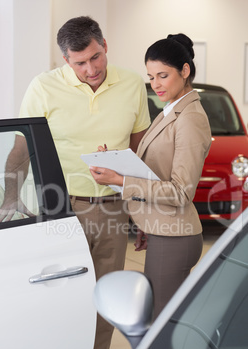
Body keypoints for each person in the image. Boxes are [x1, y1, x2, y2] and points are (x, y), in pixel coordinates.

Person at [0, 16, 150, 349]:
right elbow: (20, 148)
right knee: (60, 306)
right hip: (61, 210)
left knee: (103, 307)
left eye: (96, 57)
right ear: (65, 59)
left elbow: (140, 152)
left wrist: (144, 211)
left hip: (114, 209)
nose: (91, 69)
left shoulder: (131, 83)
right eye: (79, 62)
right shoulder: (43, 87)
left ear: (105, 44)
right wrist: (10, 199)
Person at [90, 33, 212, 319]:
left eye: (163, 75)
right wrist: (117, 165)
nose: (155, 84)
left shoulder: (190, 117)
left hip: (176, 237)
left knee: (160, 324)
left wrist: (120, 181)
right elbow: (155, 171)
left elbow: (181, 192)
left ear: (185, 71)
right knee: (161, 320)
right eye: (151, 76)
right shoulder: (169, 110)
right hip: (162, 230)